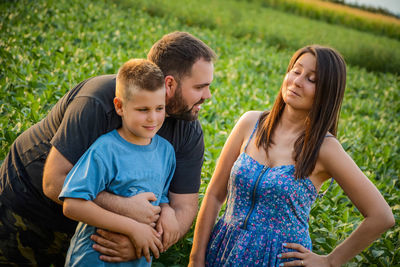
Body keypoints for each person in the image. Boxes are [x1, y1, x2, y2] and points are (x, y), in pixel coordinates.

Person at [0, 31, 215, 266]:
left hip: (95, 237)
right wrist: (125, 211)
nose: (208, 96)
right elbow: (54, 182)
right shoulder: (98, 101)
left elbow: (183, 206)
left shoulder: (188, 130)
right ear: (170, 84)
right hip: (28, 207)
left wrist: (144, 243)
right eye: (200, 87)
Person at [189, 45, 394, 267]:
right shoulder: (251, 123)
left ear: (328, 91)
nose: (297, 81)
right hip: (222, 250)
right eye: (296, 71)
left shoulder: (325, 148)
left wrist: (330, 261)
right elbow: (214, 195)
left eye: (312, 79)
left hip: (277, 261)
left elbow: (381, 216)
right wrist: (195, 258)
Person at [59, 58, 175, 266]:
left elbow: (160, 195)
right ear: (120, 107)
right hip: (93, 259)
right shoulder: (105, 150)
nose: (153, 118)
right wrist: (133, 228)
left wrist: (167, 211)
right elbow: (72, 204)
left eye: (159, 108)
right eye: (143, 110)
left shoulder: (166, 152)